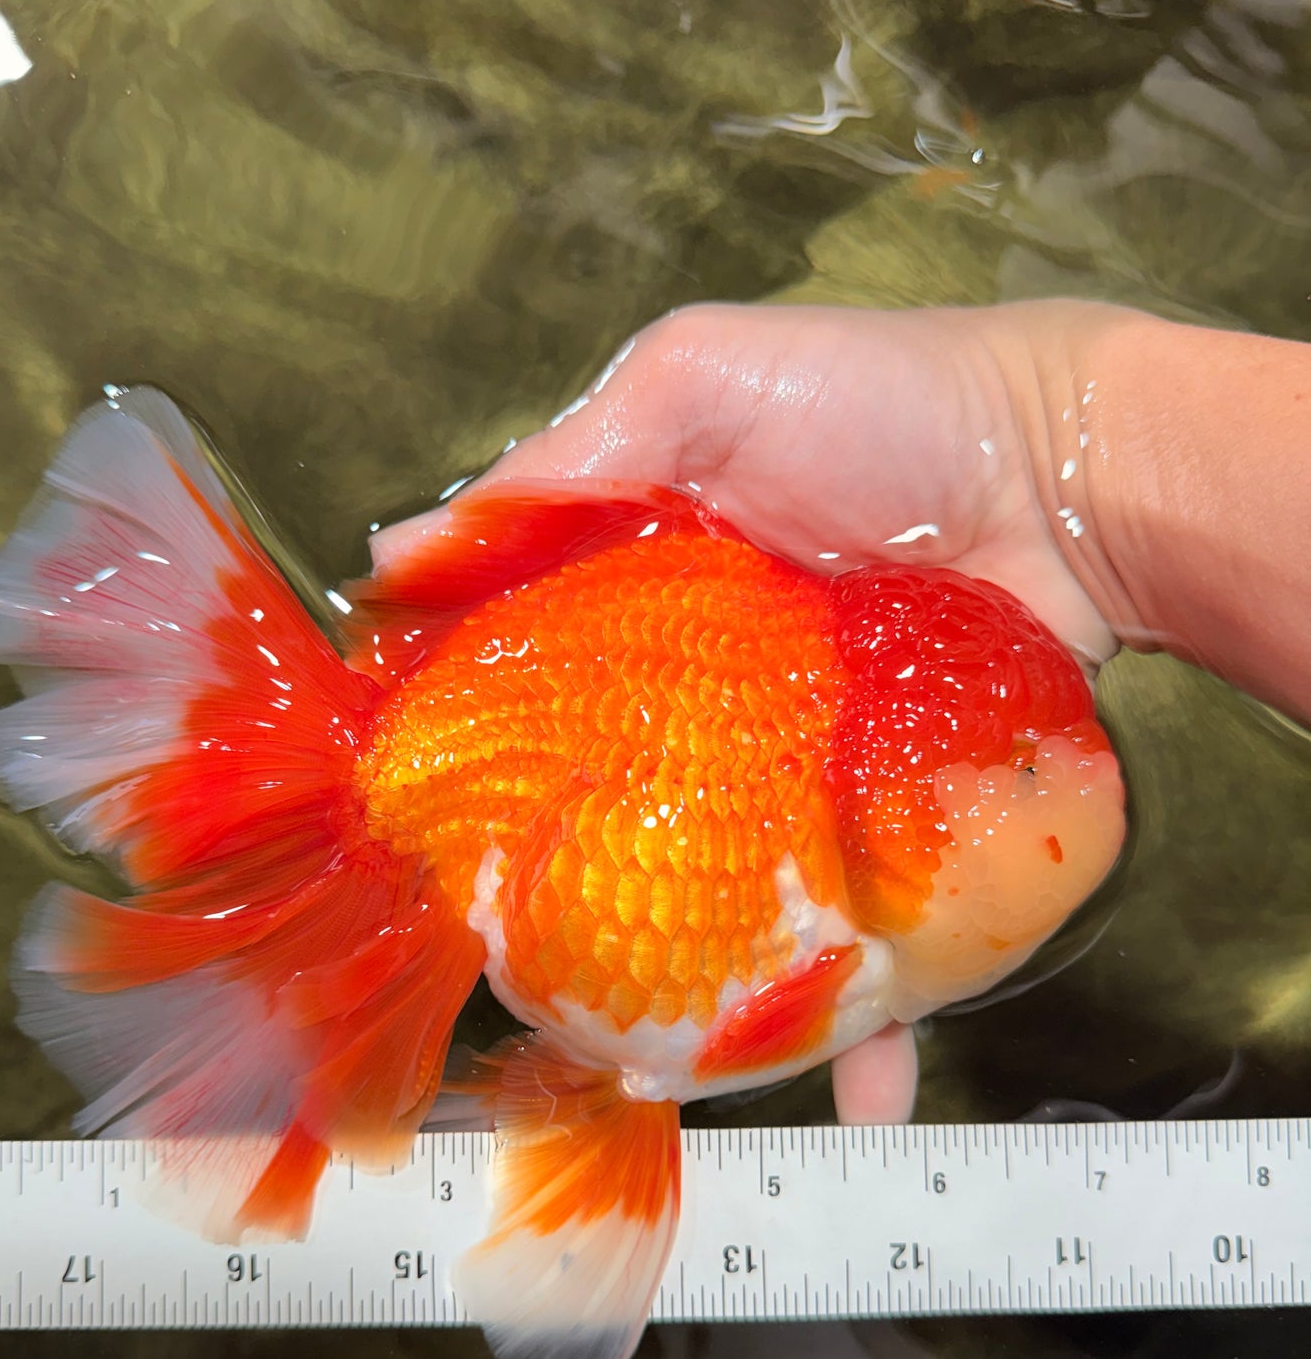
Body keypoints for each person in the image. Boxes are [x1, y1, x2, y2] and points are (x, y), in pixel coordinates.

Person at [373, 299, 1311, 1114]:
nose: (1086, 769)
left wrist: (1045, 431)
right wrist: (1047, 445)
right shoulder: (846, 928)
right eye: (1023, 769)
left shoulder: (855, 926)